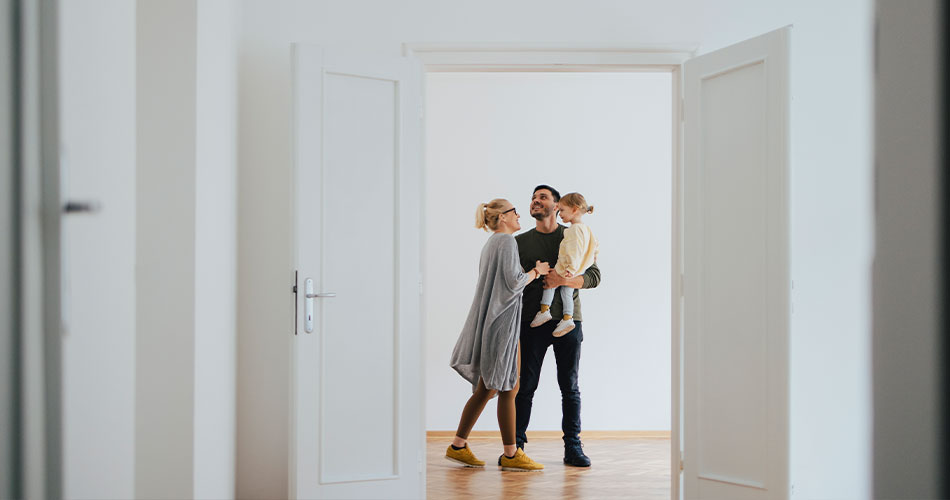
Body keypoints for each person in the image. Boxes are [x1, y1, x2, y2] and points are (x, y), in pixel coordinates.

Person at [446, 198, 551, 472]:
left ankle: (459, 445)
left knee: (492, 387)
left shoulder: (492, 244)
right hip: (501, 324)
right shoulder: (505, 242)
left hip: (496, 323)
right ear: (503, 217)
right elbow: (513, 283)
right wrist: (536, 272)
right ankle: (510, 454)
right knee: (506, 387)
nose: (519, 216)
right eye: (514, 212)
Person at [515, 185, 600, 468]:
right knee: (525, 387)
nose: (535, 201)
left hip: (569, 321)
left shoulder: (576, 232)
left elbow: (595, 276)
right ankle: (515, 447)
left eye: (543, 197)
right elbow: (512, 282)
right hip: (531, 322)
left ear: (558, 206)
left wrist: (561, 280)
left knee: (570, 387)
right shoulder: (519, 242)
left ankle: (573, 448)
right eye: (533, 198)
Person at [529, 192, 599, 337]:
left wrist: (570, 269)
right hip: (577, 269)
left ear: (574, 209)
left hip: (567, 267)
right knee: (566, 292)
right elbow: (595, 246)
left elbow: (575, 250)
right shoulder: (586, 229)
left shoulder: (573, 230)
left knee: (550, 283)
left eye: (561, 210)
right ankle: (567, 318)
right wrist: (591, 258)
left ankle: (544, 310)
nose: (559, 213)